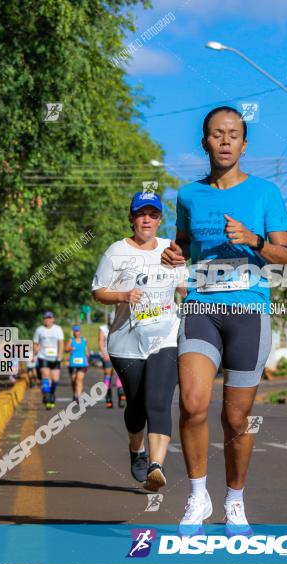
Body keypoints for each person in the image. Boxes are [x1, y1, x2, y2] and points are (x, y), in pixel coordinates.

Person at [161, 106, 287, 536]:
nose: (224, 141)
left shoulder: (265, 193)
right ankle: (198, 495)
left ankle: (234, 501)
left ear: (244, 144)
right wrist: (174, 254)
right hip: (201, 305)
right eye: (216, 134)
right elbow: (182, 245)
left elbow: (286, 256)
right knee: (193, 404)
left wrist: (252, 240)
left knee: (236, 419)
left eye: (233, 134)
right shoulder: (188, 195)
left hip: (249, 311)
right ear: (204, 142)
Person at [92, 191, 186, 491]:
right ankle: (137, 450)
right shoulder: (115, 252)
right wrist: (122, 295)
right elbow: (98, 291)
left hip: (166, 337)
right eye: (141, 214)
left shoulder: (171, 250)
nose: (147, 219)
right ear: (132, 218)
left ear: (160, 220)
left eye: (153, 214)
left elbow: (184, 289)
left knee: (158, 401)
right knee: (136, 405)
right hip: (126, 343)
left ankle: (156, 466)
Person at [33, 311, 64, 410]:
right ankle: (46, 395)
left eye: (49, 318)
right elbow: (35, 343)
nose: (48, 320)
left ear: (53, 319)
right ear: (43, 320)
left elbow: (61, 343)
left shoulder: (58, 329)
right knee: (45, 376)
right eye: (46, 318)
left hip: (55, 358)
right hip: (43, 357)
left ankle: (52, 393)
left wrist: (59, 356)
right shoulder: (39, 330)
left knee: (55, 380)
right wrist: (35, 354)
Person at [98, 322, 125, 408]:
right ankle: (108, 398)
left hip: (118, 354)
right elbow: (101, 342)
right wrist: (104, 354)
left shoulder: (122, 326)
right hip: (107, 355)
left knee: (119, 375)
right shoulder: (103, 328)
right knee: (108, 373)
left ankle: (121, 396)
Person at [65, 325, 89, 402]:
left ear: (80, 332)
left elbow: (85, 348)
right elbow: (66, 349)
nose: (77, 333)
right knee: (73, 380)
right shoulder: (71, 340)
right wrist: (70, 348)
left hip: (83, 363)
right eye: (75, 331)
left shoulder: (84, 339)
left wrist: (87, 354)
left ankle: (78, 396)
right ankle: (74, 394)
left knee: (79, 379)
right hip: (73, 363)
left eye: (78, 331)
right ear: (73, 332)